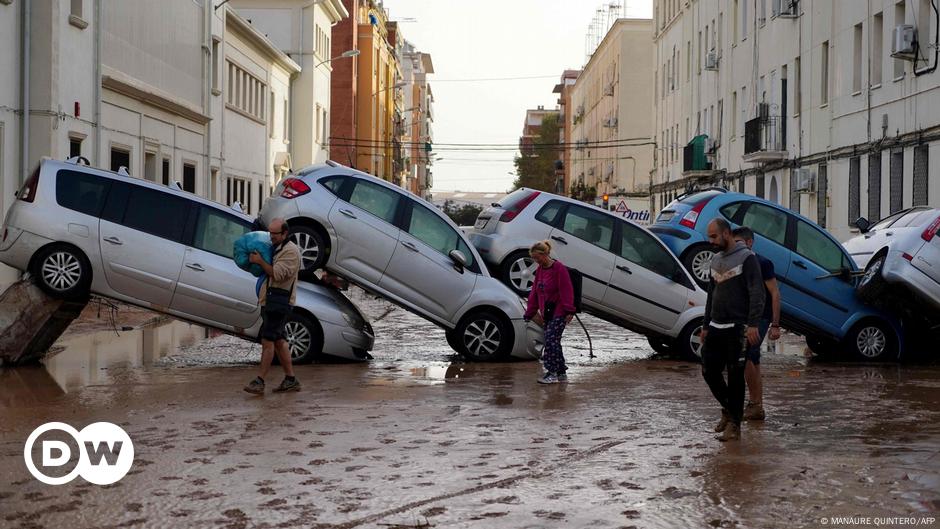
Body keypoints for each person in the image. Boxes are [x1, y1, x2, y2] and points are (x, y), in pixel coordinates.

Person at [701, 218, 765, 441]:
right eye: (709, 237)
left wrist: (753, 324)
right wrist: (705, 325)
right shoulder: (715, 259)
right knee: (709, 371)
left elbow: (758, 293)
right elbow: (711, 294)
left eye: (714, 237)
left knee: (736, 376)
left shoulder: (747, 259)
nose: (710, 241)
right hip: (716, 326)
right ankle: (730, 410)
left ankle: (735, 426)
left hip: (738, 328)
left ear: (726, 234)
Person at [244, 218, 302, 394]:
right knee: (279, 340)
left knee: (267, 340)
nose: (271, 237)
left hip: (279, 303)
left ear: (285, 233)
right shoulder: (276, 247)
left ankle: (259, 381)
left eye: (275, 234)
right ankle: (291, 379)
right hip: (270, 300)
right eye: (270, 233)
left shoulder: (291, 252)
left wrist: (260, 261)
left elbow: (277, 274)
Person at [732, 226, 782, 422]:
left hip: (760, 317)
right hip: (744, 317)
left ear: (749, 242)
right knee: (753, 360)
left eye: (738, 243)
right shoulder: (736, 263)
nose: (735, 247)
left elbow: (775, 293)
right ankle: (757, 406)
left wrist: (775, 325)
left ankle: (754, 404)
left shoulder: (762, 263)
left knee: (747, 358)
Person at [523, 240, 576, 384]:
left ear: (545, 254)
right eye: (533, 258)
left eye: (537, 257)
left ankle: (551, 372)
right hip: (547, 313)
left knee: (551, 341)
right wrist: (530, 312)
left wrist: (569, 311)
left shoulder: (559, 268)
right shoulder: (540, 270)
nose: (535, 260)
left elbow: (567, 290)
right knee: (554, 342)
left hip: (559, 312)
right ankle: (561, 373)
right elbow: (534, 292)